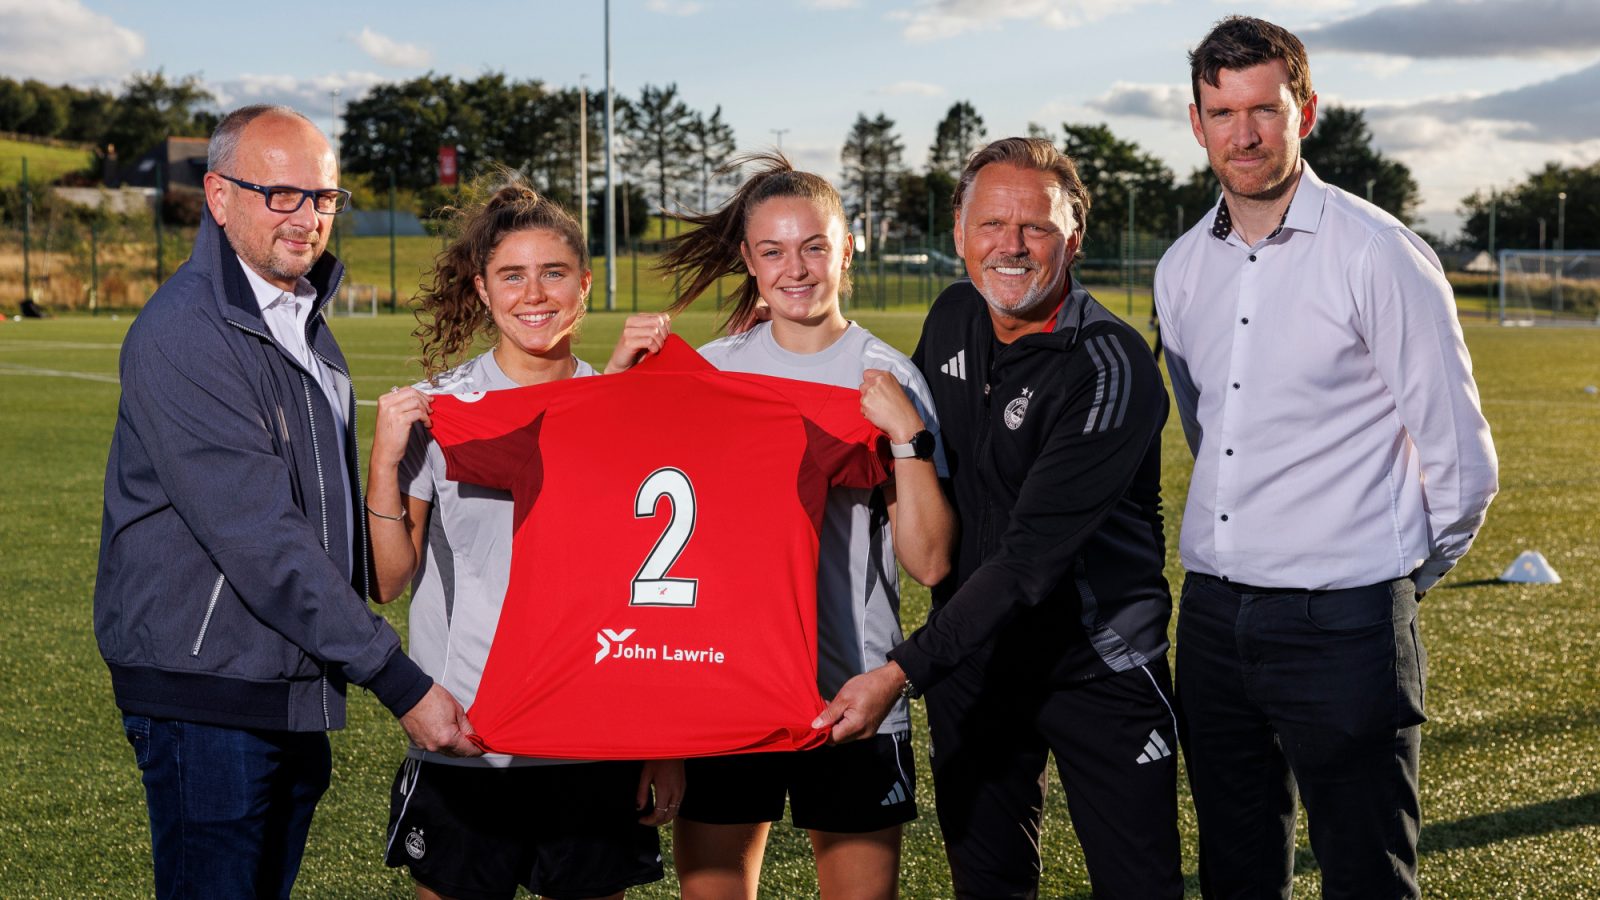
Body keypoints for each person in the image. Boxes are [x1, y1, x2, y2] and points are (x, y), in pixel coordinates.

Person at [93, 104, 477, 900]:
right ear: (218, 194)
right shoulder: (186, 332)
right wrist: (400, 682)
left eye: (324, 197)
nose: (307, 218)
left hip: (288, 681)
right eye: (280, 194)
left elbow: (321, 516)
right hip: (209, 691)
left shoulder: (303, 321)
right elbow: (262, 539)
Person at [1154, 17, 1499, 898]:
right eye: (1221, 111)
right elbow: (1213, 434)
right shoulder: (1182, 267)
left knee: (1366, 875)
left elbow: (1461, 463)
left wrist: (1387, 585)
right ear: (1196, 122)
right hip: (1214, 622)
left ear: (1305, 109)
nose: (1243, 133)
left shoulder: (1378, 254)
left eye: (1263, 109)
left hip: (1345, 623)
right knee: (1235, 870)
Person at [817, 137, 1182, 899]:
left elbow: (1025, 563)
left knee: (1138, 886)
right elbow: (910, 469)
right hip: (973, 668)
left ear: (1073, 239)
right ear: (959, 233)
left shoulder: (1110, 368)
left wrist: (898, 674)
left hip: (1096, 668)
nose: (1011, 247)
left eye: (1036, 228)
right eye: (991, 224)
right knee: (986, 885)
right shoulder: (953, 315)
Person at [607, 153, 956, 900]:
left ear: (847, 247)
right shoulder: (712, 373)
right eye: (773, 250)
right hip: (730, 685)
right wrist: (618, 386)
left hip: (853, 692)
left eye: (814, 246)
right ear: (748, 259)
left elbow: (928, 562)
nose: (795, 268)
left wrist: (905, 436)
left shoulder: (888, 376)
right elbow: (618, 520)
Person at [367, 180, 681, 900]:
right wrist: (385, 465)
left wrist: (663, 743)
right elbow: (386, 581)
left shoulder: (627, 409)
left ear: (585, 283)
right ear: (482, 288)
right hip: (468, 737)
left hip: (593, 741)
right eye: (512, 274)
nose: (533, 294)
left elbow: (651, 598)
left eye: (554, 272)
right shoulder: (441, 412)